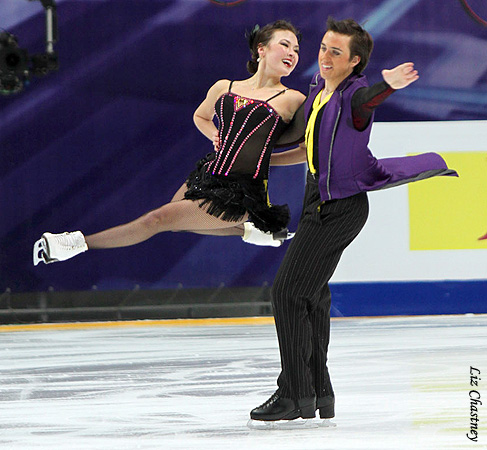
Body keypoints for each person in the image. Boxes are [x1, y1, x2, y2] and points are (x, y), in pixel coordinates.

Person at [249, 17, 458, 424]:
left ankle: (294, 394)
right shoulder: (317, 91)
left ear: (354, 62)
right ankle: (317, 393)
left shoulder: (354, 95)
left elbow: (366, 104)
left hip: (339, 208)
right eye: (324, 47)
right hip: (317, 199)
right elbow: (296, 136)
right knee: (312, 297)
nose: (325, 57)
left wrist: (387, 86)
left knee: (288, 294)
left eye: (336, 52)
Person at [33, 20, 307, 266]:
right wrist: (213, 133)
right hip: (210, 174)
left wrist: (268, 158)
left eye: (296, 49)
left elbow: (307, 151)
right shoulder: (225, 86)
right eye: (285, 45)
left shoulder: (293, 99)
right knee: (175, 223)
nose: (292, 54)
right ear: (261, 49)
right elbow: (201, 116)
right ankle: (256, 232)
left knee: (159, 219)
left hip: (242, 190)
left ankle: (73, 244)